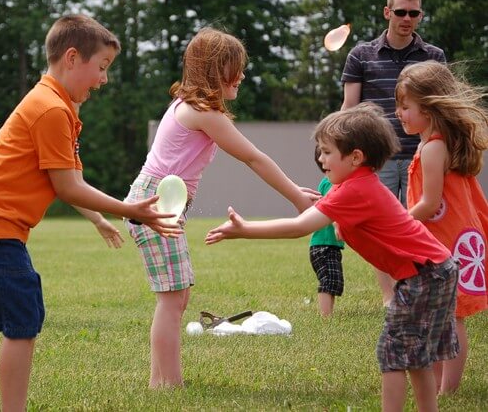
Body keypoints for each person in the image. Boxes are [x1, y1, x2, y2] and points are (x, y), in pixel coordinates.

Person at [0, 14, 180, 412]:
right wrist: (129, 209)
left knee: (24, 318)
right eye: (101, 67)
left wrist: (101, 218)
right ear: (71, 58)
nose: (104, 79)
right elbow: (68, 186)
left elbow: (65, 181)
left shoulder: (54, 104)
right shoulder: (51, 109)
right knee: (23, 322)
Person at [206, 103, 459, 412]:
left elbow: (298, 228)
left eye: (327, 152)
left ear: (356, 157)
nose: (321, 158)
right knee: (415, 355)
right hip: (437, 268)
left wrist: (244, 229)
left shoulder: (353, 190)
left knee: (394, 356)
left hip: (424, 275)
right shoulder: (360, 184)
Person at [124, 27, 318, 389]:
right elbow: (253, 158)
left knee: (177, 297)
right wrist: (295, 196)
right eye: (235, 68)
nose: (242, 75)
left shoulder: (189, 107)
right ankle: (168, 385)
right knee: (172, 300)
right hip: (154, 204)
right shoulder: (201, 113)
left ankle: (160, 380)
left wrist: (294, 190)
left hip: (157, 202)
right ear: (215, 70)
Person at [340, 0, 446, 306]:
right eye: (400, 12)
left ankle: (423, 287)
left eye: (414, 13)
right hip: (378, 157)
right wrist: (341, 149)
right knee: (381, 227)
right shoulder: (361, 54)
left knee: (426, 222)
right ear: (388, 12)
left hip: (423, 152)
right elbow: (350, 107)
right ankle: (390, 298)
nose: (407, 19)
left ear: (420, 15)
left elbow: (443, 107)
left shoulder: (434, 57)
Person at [395, 60, 488, 394]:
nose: (399, 113)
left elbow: (430, 204)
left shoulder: (434, 147)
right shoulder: (433, 143)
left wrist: (398, 223)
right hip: (443, 244)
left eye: (406, 106)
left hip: (448, 246)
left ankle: (447, 390)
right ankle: (437, 386)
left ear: (430, 106)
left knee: (450, 317)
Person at [309, 148, 344, 316]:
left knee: (333, 279)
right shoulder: (331, 183)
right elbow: (332, 206)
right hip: (323, 244)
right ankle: (325, 316)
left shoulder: (332, 182)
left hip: (329, 244)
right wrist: (338, 224)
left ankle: (328, 312)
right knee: (328, 279)